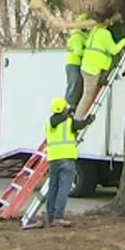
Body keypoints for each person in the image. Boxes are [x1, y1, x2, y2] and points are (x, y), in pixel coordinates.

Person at [44, 96, 94, 227]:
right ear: (63, 109)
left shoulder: (49, 123)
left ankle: (50, 216)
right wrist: (89, 120)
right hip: (67, 159)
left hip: (53, 159)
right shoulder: (69, 122)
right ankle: (58, 217)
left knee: (53, 188)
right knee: (63, 189)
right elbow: (80, 125)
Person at [74, 20, 125, 120]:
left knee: (86, 94)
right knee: (88, 96)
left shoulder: (94, 31)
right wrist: (124, 40)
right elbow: (114, 50)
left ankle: (77, 115)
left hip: (86, 66)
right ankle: (77, 119)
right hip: (93, 69)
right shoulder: (105, 34)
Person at [65, 14, 89, 106]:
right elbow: (78, 51)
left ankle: (75, 103)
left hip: (79, 64)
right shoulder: (77, 36)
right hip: (73, 63)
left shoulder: (84, 35)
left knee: (79, 84)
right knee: (74, 83)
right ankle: (69, 104)